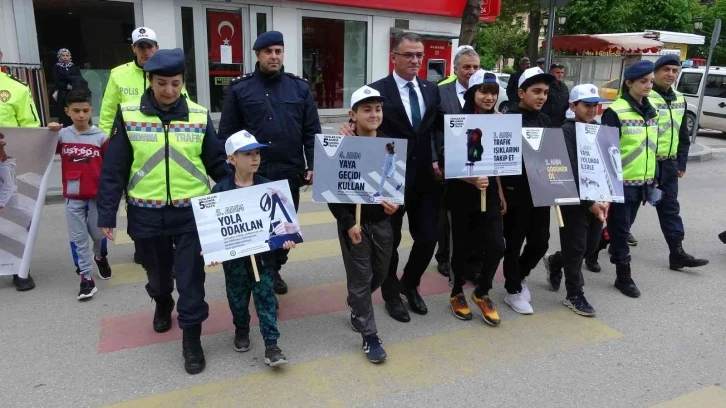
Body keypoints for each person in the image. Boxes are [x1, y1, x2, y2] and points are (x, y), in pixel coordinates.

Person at [96, 49, 230, 374]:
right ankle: (161, 301)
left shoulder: (198, 115)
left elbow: (216, 163)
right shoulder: (128, 114)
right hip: (145, 213)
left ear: (183, 82)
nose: (168, 90)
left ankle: (191, 340)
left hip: (191, 214)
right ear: (150, 81)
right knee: (157, 277)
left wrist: (232, 190)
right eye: (161, 83)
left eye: (174, 83)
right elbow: (115, 168)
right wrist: (107, 214)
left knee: (191, 280)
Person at [341, 32, 444, 323]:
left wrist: (442, 157)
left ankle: (409, 285)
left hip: (425, 178)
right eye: (408, 54)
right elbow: (358, 122)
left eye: (419, 55)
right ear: (394, 57)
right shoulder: (375, 89)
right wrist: (347, 130)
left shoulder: (431, 89)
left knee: (428, 238)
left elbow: (437, 127)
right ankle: (390, 294)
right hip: (387, 180)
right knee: (390, 243)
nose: (415, 60)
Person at [218, 31, 320, 295]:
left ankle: (274, 268)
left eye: (278, 51)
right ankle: (262, 271)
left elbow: (311, 130)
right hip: (253, 173)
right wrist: (228, 170)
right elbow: (227, 132)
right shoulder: (241, 89)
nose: (274, 56)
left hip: (288, 172)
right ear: (258, 55)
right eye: (268, 51)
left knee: (284, 230)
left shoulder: (299, 88)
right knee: (255, 226)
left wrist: (314, 164)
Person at [210, 130, 296, 368]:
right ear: (232, 158)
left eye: (257, 153)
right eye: (247, 154)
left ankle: (272, 345)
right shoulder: (220, 191)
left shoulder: (269, 188)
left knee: (266, 297)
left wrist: (286, 238)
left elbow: (281, 222)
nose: (255, 158)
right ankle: (241, 328)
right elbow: (213, 228)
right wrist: (212, 251)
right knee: (237, 298)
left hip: (263, 259)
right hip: (234, 262)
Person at [329, 85, 399, 363]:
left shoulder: (390, 146)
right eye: (366, 109)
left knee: (379, 274)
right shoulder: (340, 146)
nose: (373, 114)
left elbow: (397, 184)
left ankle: (357, 304)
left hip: (382, 223)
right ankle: (370, 336)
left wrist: (395, 206)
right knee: (361, 278)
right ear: (353, 115)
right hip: (353, 225)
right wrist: (348, 222)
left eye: (377, 109)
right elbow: (331, 192)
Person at [98, 27, 170, 265]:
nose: (146, 51)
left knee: (161, 191)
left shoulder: (166, 72)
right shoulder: (118, 75)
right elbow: (108, 113)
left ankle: (164, 241)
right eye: (141, 47)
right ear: (133, 49)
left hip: (163, 144)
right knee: (134, 197)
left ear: (156, 48)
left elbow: (185, 104)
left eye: (150, 46)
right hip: (130, 147)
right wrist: (108, 148)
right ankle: (142, 244)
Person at [542, 84, 608, 317]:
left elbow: (605, 167)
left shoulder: (598, 129)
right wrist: (588, 202)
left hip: (597, 199)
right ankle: (574, 295)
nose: (592, 110)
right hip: (573, 200)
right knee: (577, 246)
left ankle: (556, 260)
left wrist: (606, 197)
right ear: (573, 106)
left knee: (590, 247)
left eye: (595, 105)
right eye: (586, 105)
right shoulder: (566, 131)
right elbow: (569, 168)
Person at [446, 70, 506, 325]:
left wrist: (500, 191)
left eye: (493, 92)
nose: (489, 97)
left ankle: (482, 292)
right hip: (462, 194)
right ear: (472, 93)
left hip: (490, 192)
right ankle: (456, 292)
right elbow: (449, 162)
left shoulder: (501, 121)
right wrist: (469, 179)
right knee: (462, 247)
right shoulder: (457, 121)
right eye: (483, 91)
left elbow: (501, 161)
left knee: (496, 245)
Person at [600, 60, 659, 298]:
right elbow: (606, 151)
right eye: (643, 81)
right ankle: (623, 276)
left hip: (642, 183)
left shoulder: (652, 110)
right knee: (621, 231)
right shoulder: (616, 111)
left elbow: (650, 148)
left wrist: (653, 178)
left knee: (617, 229)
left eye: (651, 81)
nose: (648, 86)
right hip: (620, 183)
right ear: (629, 83)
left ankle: (563, 259)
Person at [502, 67, 554, 315]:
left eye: (545, 92)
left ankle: (520, 275)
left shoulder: (545, 120)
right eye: (536, 91)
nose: (542, 96)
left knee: (541, 242)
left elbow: (552, 157)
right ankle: (512, 290)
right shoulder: (507, 117)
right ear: (521, 93)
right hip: (515, 194)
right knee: (513, 244)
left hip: (541, 193)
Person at [649, 55, 709, 270]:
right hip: (644, 165)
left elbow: (682, 135)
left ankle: (677, 253)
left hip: (669, 166)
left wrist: (681, 163)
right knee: (623, 217)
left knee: (670, 210)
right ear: (655, 72)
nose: (670, 74)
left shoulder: (679, 98)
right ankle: (591, 250)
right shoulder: (643, 95)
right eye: (666, 69)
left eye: (675, 70)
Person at [53, 90, 112, 300]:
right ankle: (85, 278)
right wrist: (48, 133)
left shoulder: (101, 137)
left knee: (97, 235)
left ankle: (100, 256)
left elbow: (111, 168)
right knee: (78, 238)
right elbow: (42, 149)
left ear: (91, 111)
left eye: (85, 111)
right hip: (73, 196)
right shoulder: (61, 135)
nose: (80, 115)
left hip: (96, 195)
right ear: (67, 111)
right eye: (76, 111)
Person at [434, 46, 480, 278]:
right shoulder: (440, 92)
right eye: (466, 67)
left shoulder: (486, 93)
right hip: (446, 163)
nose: (471, 71)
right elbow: (431, 128)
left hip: (476, 162)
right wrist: (435, 159)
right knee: (445, 214)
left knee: (470, 214)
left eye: (475, 67)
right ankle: (443, 256)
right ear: (455, 68)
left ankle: (468, 258)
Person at [0, 70, 41, 290]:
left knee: (10, 209)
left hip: (4, 160)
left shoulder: (16, 88)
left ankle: (18, 268)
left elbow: (31, 129)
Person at [53, 48, 89, 127]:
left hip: (74, 92)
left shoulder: (73, 66)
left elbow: (79, 78)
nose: (65, 57)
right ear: (59, 57)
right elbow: (56, 81)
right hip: (63, 93)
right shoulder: (57, 67)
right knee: (64, 112)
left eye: (67, 55)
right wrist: (67, 86)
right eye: (63, 56)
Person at [541, 63, 570, 127]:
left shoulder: (564, 87)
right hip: (548, 121)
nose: (560, 75)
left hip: (562, 121)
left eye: (562, 73)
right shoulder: (546, 86)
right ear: (551, 73)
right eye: (557, 73)